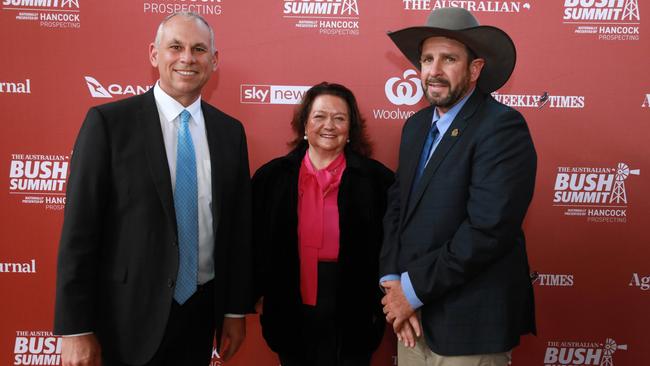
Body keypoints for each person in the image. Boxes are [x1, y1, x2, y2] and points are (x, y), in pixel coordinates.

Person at [53, 12, 252, 366]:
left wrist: (235, 310)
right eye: (175, 47)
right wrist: (75, 328)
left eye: (199, 49)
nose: (187, 58)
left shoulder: (229, 133)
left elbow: (236, 231)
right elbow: (79, 233)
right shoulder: (109, 124)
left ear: (214, 60)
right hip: (124, 320)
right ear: (154, 54)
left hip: (200, 315)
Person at [379, 7, 537, 366]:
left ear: (475, 69)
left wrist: (411, 290)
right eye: (427, 59)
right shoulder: (415, 126)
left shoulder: (502, 127)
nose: (434, 71)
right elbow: (397, 205)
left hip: (471, 327)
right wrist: (392, 282)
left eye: (449, 59)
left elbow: (487, 230)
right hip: (412, 322)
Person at [252, 82, 393, 366]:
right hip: (289, 307)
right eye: (319, 116)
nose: (329, 125)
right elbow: (251, 243)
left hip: (355, 312)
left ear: (350, 128)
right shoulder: (271, 178)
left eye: (339, 118)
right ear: (304, 123)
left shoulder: (378, 181)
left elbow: (393, 246)